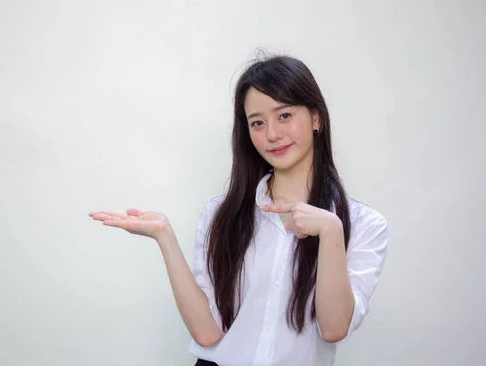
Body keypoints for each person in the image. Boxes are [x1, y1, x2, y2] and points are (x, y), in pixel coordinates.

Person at [89, 54, 388, 366]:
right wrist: (164, 237)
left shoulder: (364, 225)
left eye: (284, 115)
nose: (272, 134)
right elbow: (207, 334)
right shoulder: (221, 215)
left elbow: (334, 328)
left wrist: (330, 231)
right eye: (257, 122)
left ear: (316, 118)